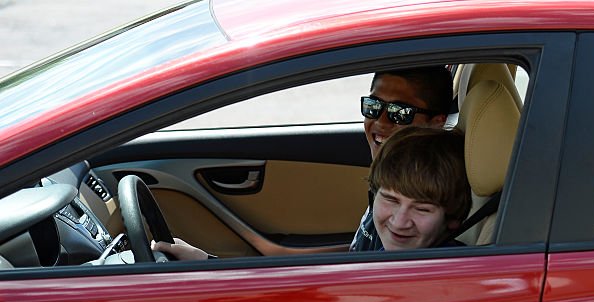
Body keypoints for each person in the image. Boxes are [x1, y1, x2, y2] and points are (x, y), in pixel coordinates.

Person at [154, 65, 454, 260]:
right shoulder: (388, 182)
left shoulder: (426, 195)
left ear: (436, 123)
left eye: (400, 113)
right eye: (374, 106)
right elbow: (353, 265)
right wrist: (208, 265)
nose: (380, 121)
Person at [364, 126, 471, 250]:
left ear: (453, 219)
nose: (399, 223)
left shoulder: (448, 266)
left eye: (422, 209)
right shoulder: (390, 258)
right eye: (390, 199)